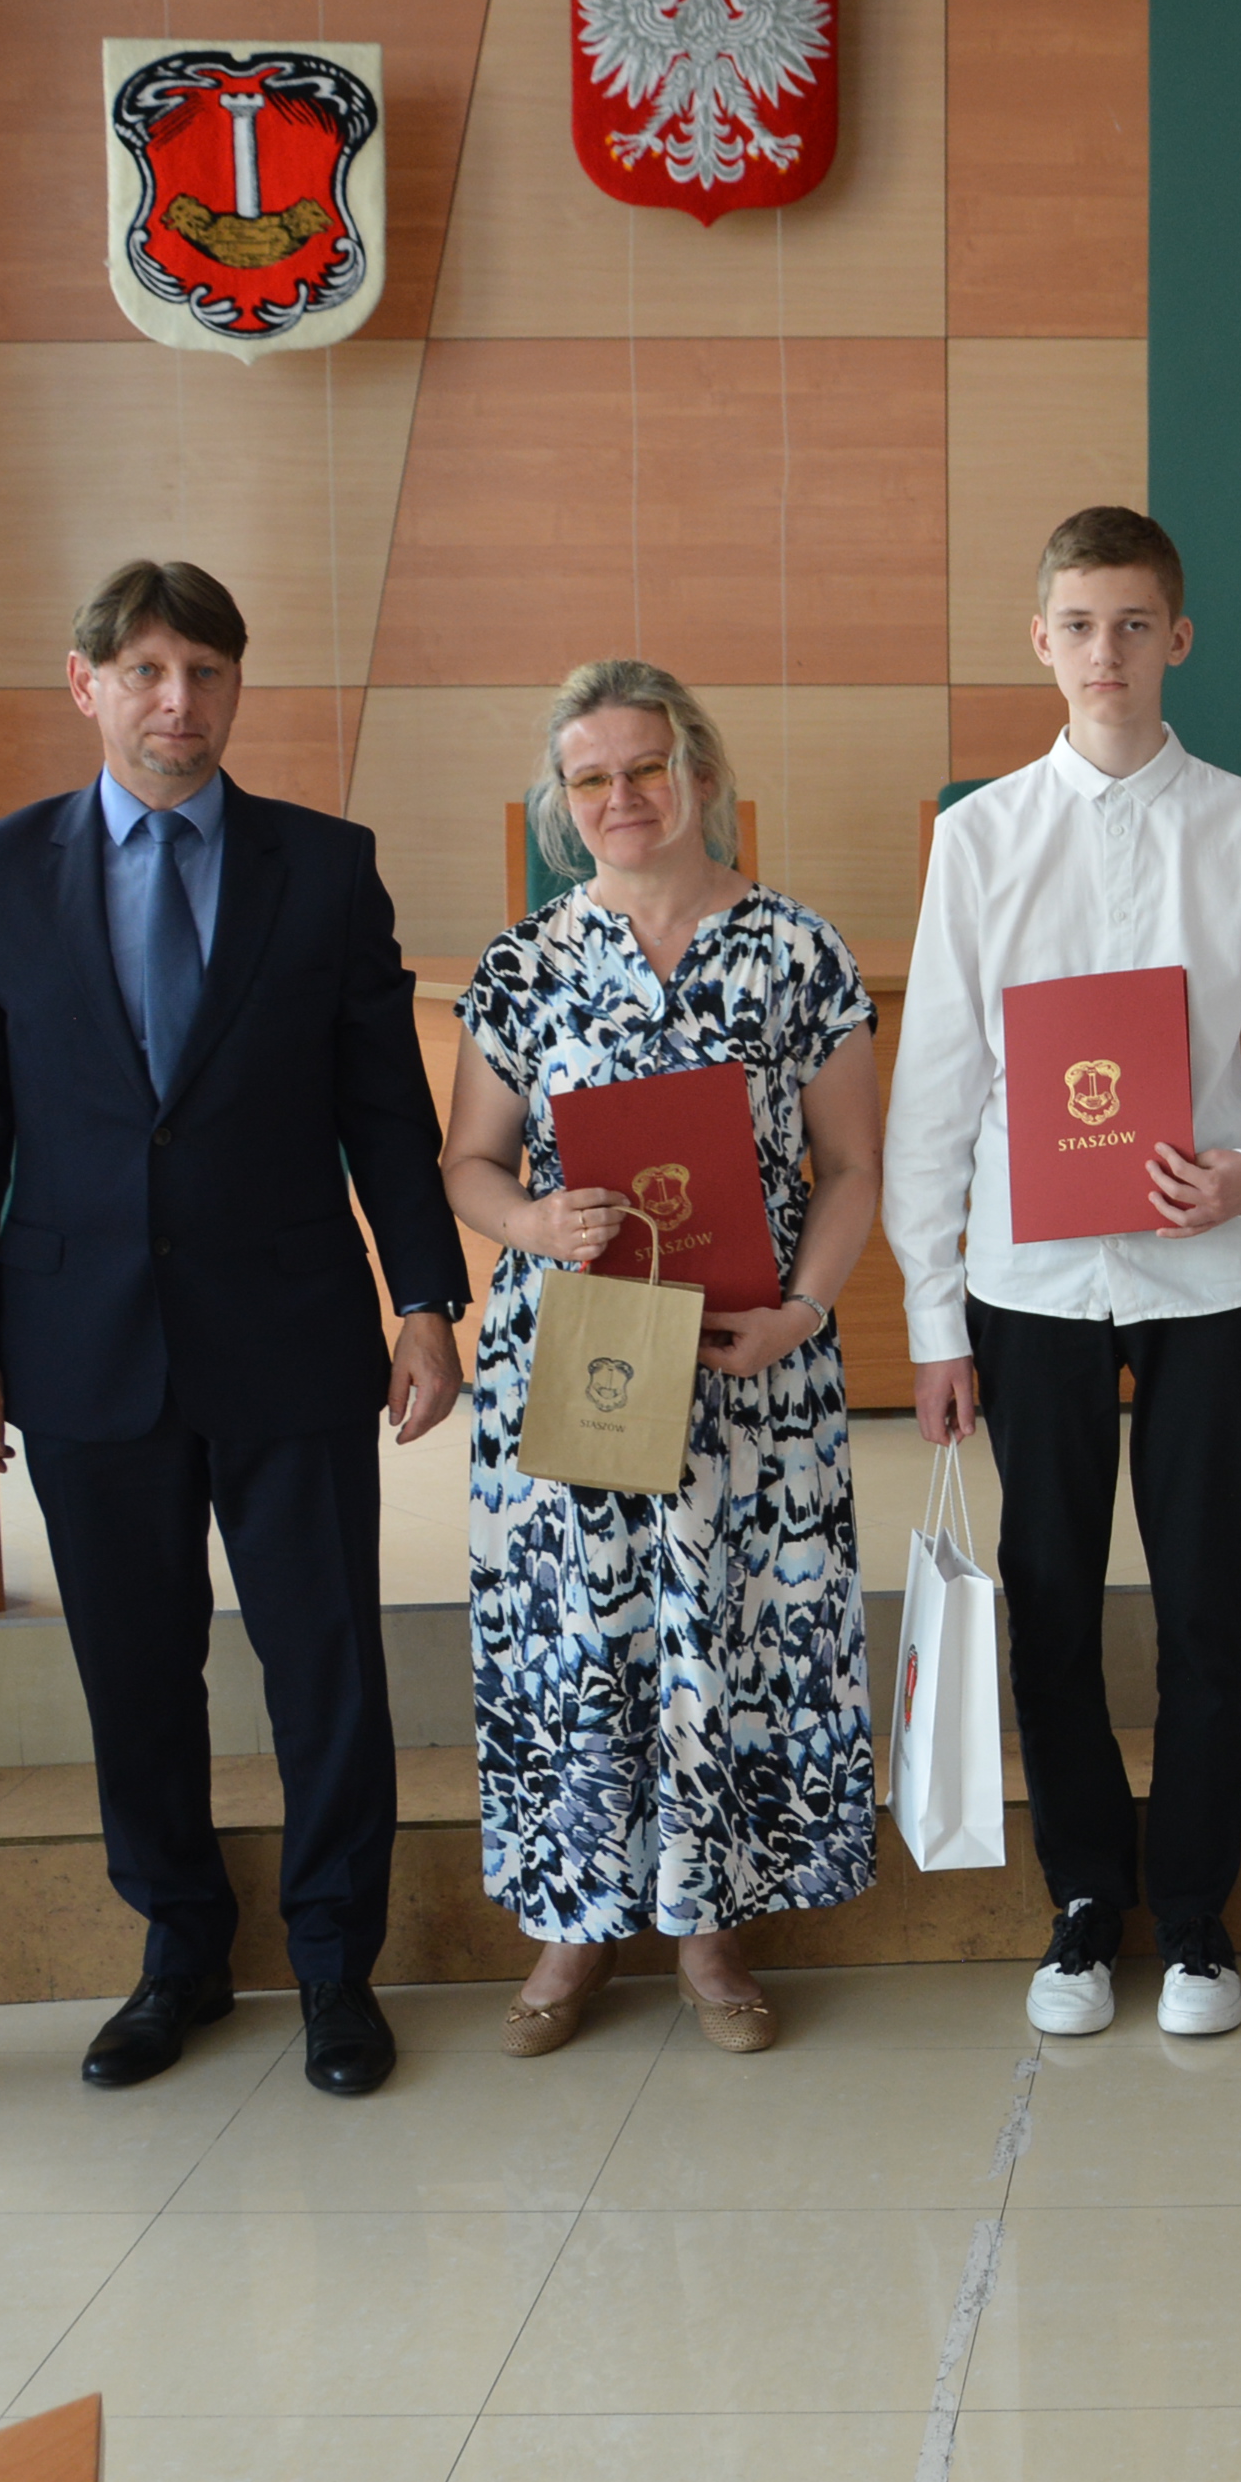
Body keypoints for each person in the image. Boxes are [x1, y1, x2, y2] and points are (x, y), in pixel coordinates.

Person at [0, 561, 463, 2101]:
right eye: (147, 671)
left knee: (325, 1663)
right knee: (134, 1671)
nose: (180, 702)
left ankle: (338, 1966)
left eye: (207, 672)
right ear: (85, 684)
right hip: (79, 1341)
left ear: (236, 688)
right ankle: (179, 1951)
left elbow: (381, 1111)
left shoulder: (324, 866)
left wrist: (425, 1300)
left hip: (288, 1329)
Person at [886, 506, 1241, 2039]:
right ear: (1041, 641)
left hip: (1209, 1275)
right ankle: (1085, 1901)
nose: (1107, 654)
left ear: (1180, 638)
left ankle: (1199, 1915)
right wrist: (934, 1318)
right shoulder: (980, 835)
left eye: (1135, 624)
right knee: (1053, 1597)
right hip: (1033, 1282)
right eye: (1079, 625)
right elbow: (937, 1090)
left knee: (1208, 1604)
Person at [441, 663, 883, 2058]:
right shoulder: (525, 964)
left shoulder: (797, 949)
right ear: (560, 803)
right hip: (577, 1357)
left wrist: (808, 1309)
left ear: (700, 774)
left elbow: (856, 1164)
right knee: (580, 1637)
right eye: (592, 778)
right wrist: (530, 1220)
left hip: (753, 1362)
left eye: (646, 768)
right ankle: (571, 1936)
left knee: (735, 1635)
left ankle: (712, 1934)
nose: (623, 798)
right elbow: (468, 1160)